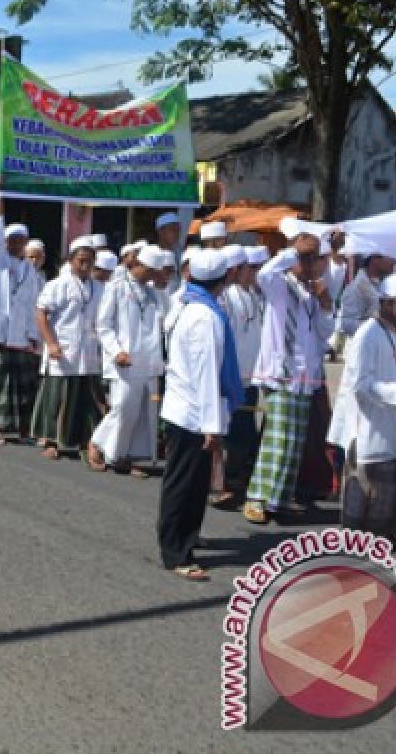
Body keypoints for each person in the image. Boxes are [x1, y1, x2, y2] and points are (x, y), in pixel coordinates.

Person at [157, 249, 241, 581]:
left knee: (194, 482)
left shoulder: (187, 305)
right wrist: (212, 426)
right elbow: (207, 374)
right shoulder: (204, 316)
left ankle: (186, 535)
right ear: (224, 279)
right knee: (183, 482)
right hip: (193, 411)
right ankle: (175, 549)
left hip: (185, 405)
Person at [328, 273, 396, 554]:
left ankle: (382, 543)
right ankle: (355, 550)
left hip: (392, 426)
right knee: (366, 494)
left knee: (390, 492)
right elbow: (360, 385)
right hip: (368, 427)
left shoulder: (395, 333)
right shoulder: (367, 334)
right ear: (389, 303)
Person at [244, 218, 334, 524]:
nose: (315, 265)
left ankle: (279, 498)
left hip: (303, 376)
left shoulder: (312, 293)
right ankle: (256, 497)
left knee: (295, 442)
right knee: (278, 438)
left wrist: (324, 305)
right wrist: (293, 251)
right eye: (310, 259)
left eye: (316, 259)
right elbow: (266, 271)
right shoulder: (279, 285)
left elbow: (325, 333)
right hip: (280, 373)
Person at [89, 245, 165, 476]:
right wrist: (116, 351)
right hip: (124, 359)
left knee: (142, 411)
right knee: (122, 407)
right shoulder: (116, 288)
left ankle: (124, 455)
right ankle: (98, 443)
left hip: (148, 361)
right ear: (139, 265)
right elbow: (103, 325)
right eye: (150, 270)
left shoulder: (154, 293)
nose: (152, 275)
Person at [32, 235, 103, 459]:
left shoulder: (99, 288)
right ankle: (52, 441)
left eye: (89, 261)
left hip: (89, 350)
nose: (85, 265)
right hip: (63, 349)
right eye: (81, 260)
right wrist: (51, 343)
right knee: (57, 398)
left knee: (86, 398)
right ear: (71, 261)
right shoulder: (57, 285)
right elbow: (41, 314)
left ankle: (84, 441)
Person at [0, 190, 43, 446]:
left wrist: (34, 335)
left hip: (21, 334)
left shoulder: (32, 272)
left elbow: (34, 306)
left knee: (21, 383)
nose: (16, 244)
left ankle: (20, 426)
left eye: (21, 240)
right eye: (12, 240)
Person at [211, 244, 269, 508]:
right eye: (252, 269)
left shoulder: (254, 296)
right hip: (232, 374)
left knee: (245, 429)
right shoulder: (228, 297)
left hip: (251, 374)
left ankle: (238, 477)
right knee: (230, 430)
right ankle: (223, 482)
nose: (255, 274)